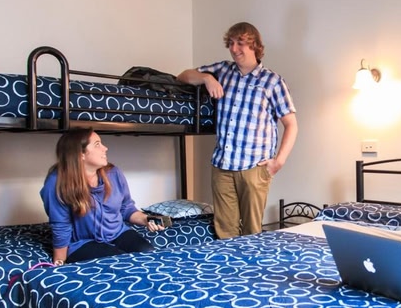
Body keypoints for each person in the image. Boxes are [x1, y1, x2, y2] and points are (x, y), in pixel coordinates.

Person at [177, 22, 298, 238]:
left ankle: (253, 261)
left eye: (240, 43)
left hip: (254, 167)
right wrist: (207, 78)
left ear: (255, 46)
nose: (234, 49)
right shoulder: (222, 70)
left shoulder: (272, 82)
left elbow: (291, 125)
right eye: (231, 43)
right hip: (222, 165)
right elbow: (183, 76)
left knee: (253, 231)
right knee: (225, 231)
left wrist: (278, 162)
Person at [40, 128, 164, 265]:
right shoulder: (57, 183)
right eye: (97, 144)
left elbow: (126, 208)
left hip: (118, 233)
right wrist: (59, 263)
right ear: (80, 154)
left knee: (149, 256)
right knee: (121, 263)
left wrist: (146, 220)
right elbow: (61, 225)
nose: (105, 148)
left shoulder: (114, 173)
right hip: (82, 242)